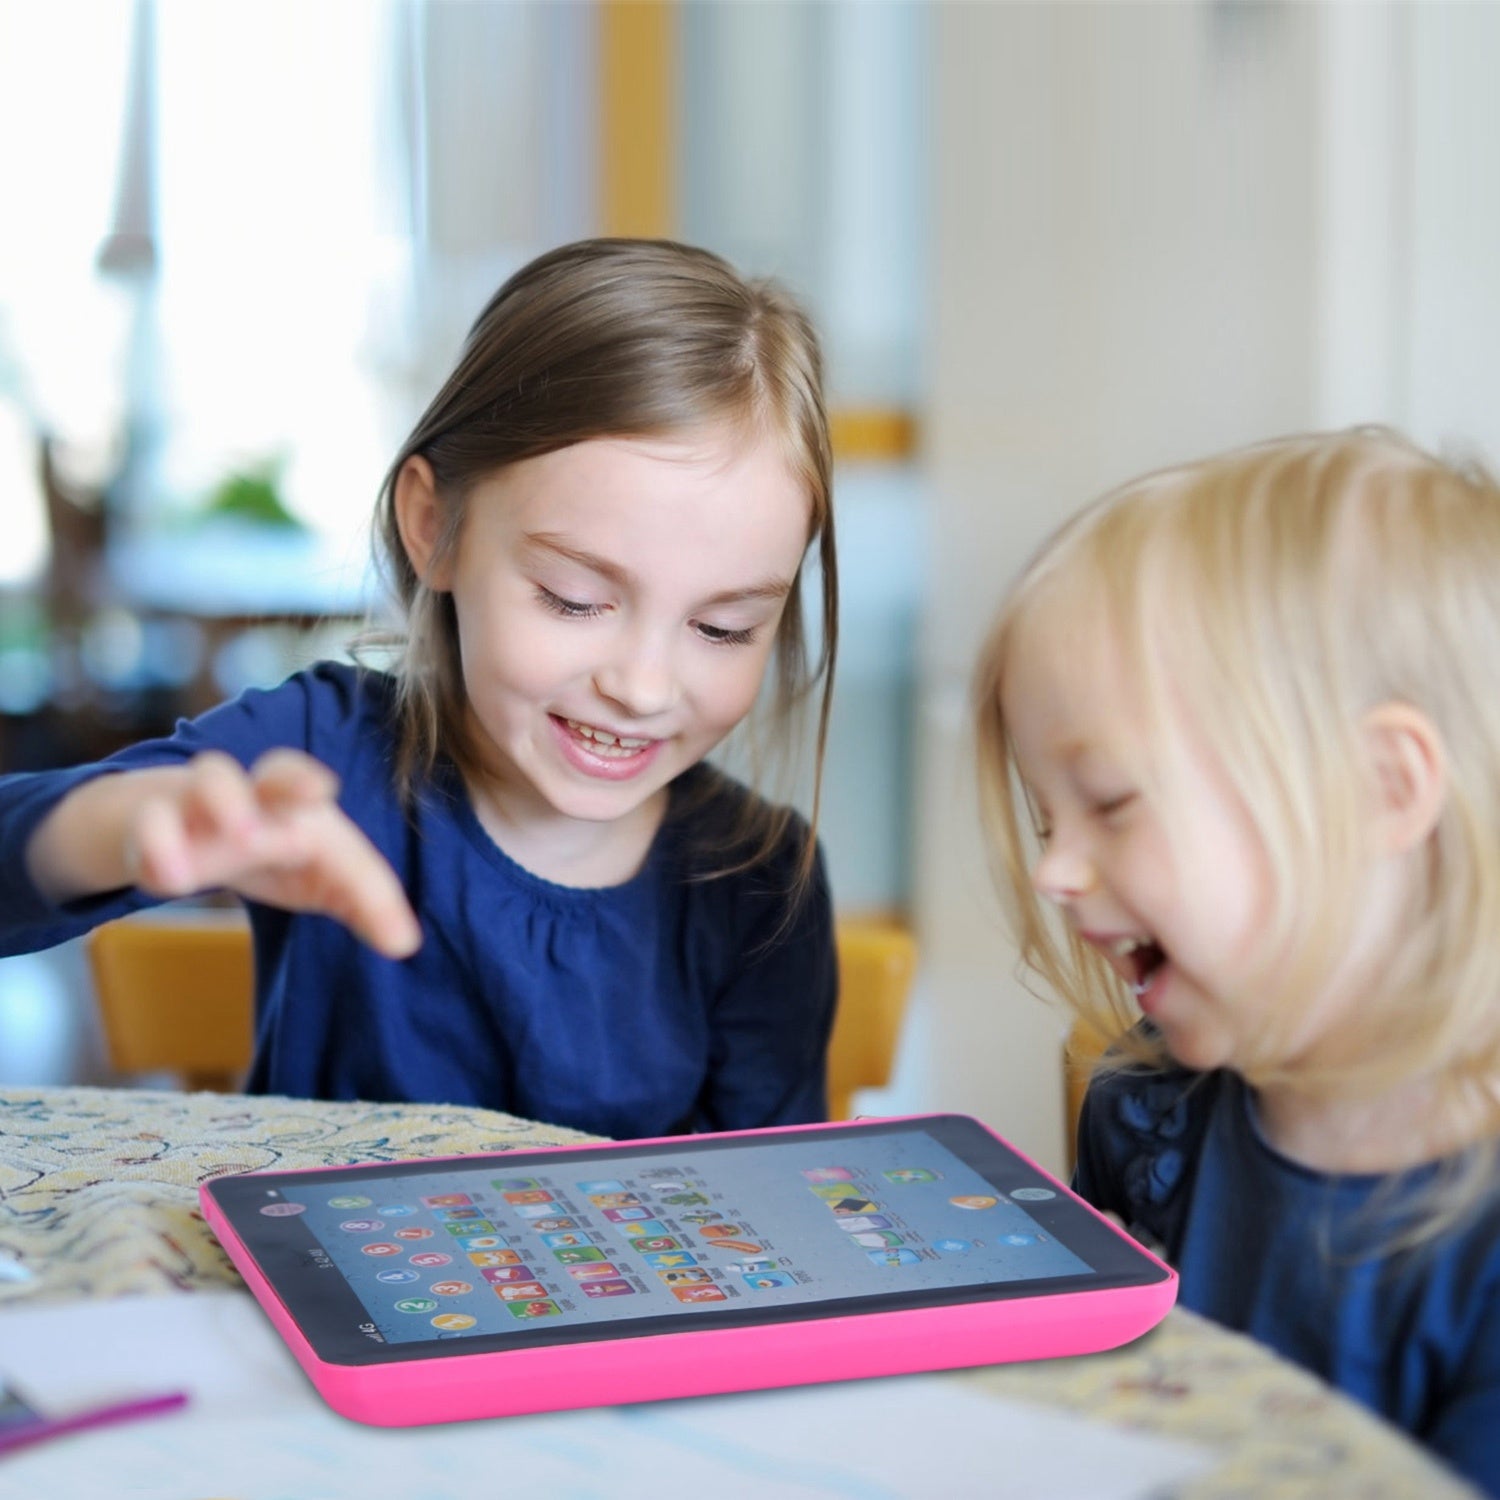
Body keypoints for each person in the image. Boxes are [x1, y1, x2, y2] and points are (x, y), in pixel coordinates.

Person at [0, 237, 840, 1140]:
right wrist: (124, 824)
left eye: (723, 629)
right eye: (575, 600)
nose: (641, 686)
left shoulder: (760, 883)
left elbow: (767, 1211)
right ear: (434, 526)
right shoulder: (320, 750)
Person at [973, 428, 1500, 1492]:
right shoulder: (1140, 1113)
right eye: (1045, 821)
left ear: (1382, 792)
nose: (1056, 872)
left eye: (1111, 804)